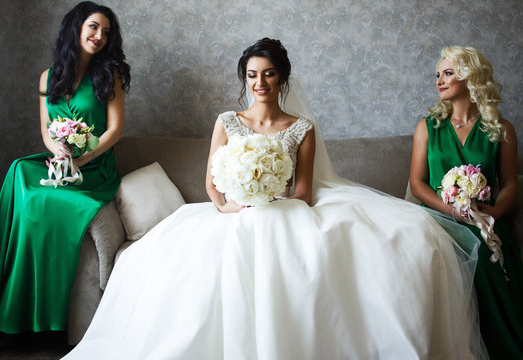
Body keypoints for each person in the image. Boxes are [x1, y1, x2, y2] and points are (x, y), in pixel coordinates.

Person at [65, 38, 486, 359]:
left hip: (284, 209)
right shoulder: (228, 121)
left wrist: (269, 200)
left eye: (267, 74)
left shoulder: (300, 128)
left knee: (394, 237)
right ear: (244, 79)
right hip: (233, 211)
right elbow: (212, 182)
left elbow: (302, 191)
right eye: (251, 74)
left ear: (281, 78)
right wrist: (230, 206)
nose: (259, 83)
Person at [0, 1, 130, 344]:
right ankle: (11, 305)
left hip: (94, 170)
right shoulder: (48, 77)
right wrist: (59, 151)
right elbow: (47, 130)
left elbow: (115, 130)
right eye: (94, 27)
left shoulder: (109, 76)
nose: (99, 36)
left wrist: (83, 158)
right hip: (61, 163)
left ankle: (43, 324)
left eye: (106, 32)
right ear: (76, 27)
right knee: (20, 171)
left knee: (39, 201)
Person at [410, 46, 523, 359]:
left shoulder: (501, 129)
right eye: (438, 75)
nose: (439, 81)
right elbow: (417, 184)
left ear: (470, 76)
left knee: (485, 247)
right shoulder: (427, 127)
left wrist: (496, 212)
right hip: (436, 216)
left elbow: (511, 184)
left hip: (482, 218)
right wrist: (451, 210)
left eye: (448, 73)